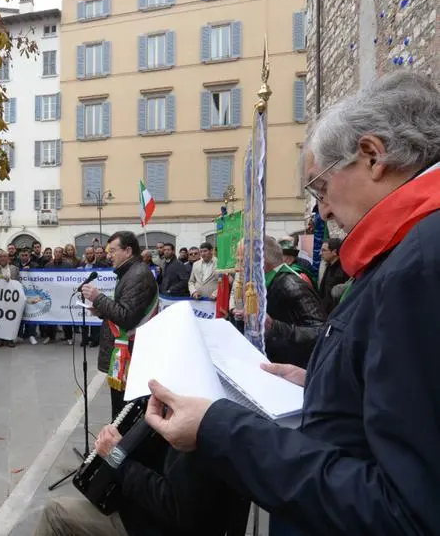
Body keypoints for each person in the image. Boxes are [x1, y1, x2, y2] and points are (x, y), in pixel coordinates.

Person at [143, 71, 440, 535]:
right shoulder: (403, 254)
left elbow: (404, 512)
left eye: (320, 188)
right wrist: (322, 386)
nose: (320, 210)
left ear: (372, 157)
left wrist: (219, 428)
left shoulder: (419, 264)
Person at [33, 419, 243, 536]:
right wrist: (125, 443)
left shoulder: (196, 428)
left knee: (55, 513)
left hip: (151, 526)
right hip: (159, 518)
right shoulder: (221, 418)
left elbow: (175, 505)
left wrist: (117, 457)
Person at [80, 231, 158, 421]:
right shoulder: (129, 272)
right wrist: (101, 310)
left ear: (128, 251)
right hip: (125, 352)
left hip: (131, 353)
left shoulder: (138, 275)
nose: (109, 255)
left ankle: (122, 445)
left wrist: (98, 297)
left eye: (113, 250)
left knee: (126, 411)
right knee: (120, 407)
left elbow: (126, 317)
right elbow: (123, 310)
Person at [261, 235, 326, 368]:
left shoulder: (291, 284)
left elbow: (321, 332)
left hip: (294, 367)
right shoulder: (269, 281)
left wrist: (274, 326)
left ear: (261, 260)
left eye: (243, 260)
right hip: (279, 359)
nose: (239, 266)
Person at [317, 237, 348, 314]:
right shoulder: (329, 266)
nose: (320, 253)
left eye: (324, 250)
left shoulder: (345, 269)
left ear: (334, 252)